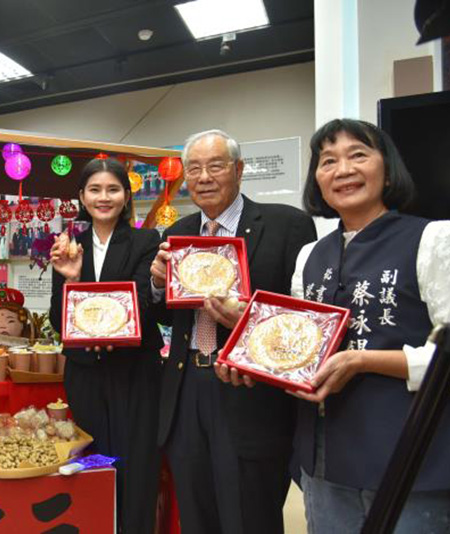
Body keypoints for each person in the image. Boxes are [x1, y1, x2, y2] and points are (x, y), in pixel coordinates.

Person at [289, 119, 450, 533]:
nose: (343, 169)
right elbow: (301, 347)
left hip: (413, 463)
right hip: (324, 466)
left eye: (358, 155)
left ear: (388, 167)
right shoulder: (310, 255)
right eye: (328, 161)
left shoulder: (435, 238)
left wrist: (365, 361)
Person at [150, 129, 317, 533]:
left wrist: (244, 318)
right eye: (194, 169)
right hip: (187, 385)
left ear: (239, 171)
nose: (204, 177)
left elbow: (300, 319)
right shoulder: (176, 234)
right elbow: (173, 319)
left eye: (216, 166)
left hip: (248, 390)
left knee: (249, 515)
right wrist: (157, 285)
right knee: (196, 513)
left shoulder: (286, 225)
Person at [48, 157, 163, 533]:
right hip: (86, 374)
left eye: (113, 189)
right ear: (81, 196)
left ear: (126, 196)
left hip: (136, 372)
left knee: (137, 466)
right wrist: (72, 279)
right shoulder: (68, 246)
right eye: (94, 190)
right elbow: (57, 317)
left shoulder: (147, 240)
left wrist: (109, 330)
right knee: (92, 461)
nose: (104, 197)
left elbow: (145, 303)